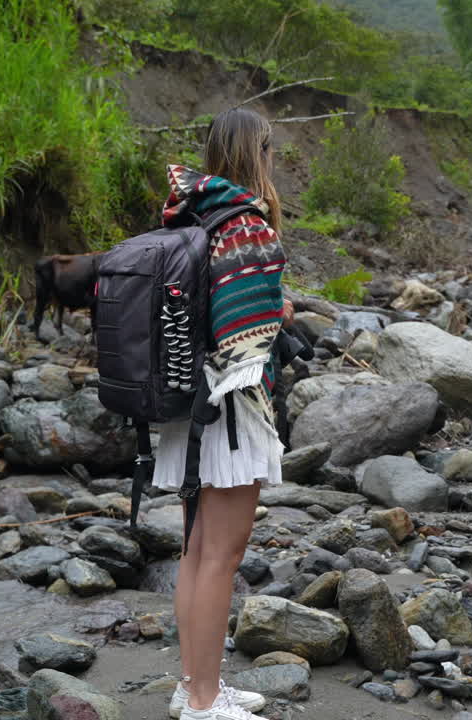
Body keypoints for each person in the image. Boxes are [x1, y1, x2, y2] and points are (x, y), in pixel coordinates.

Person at [150, 108, 291, 720]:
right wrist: (279, 313)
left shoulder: (189, 211)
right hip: (229, 410)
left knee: (194, 551)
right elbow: (246, 334)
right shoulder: (246, 225)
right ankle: (206, 703)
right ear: (256, 153)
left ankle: (193, 684)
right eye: (270, 151)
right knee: (220, 557)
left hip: (183, 407)